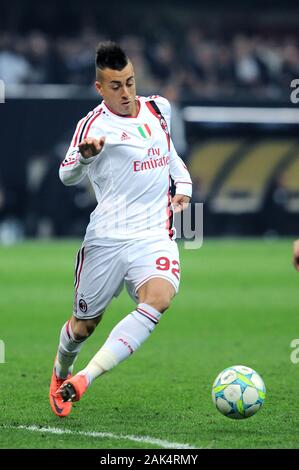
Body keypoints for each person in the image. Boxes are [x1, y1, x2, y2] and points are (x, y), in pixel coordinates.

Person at [49, 41, 192, 418]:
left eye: (130, 81)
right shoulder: (92, 126)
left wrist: (185, 186)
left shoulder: (160, 107)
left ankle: (86, 378)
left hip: (154, 234)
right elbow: (65, 175)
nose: (126, 93)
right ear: (100, 88)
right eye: (116, 86)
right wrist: (84, 156)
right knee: (83, 327)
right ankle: (61, 372)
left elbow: (169, 152)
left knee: (159, 298)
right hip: (108, 238)